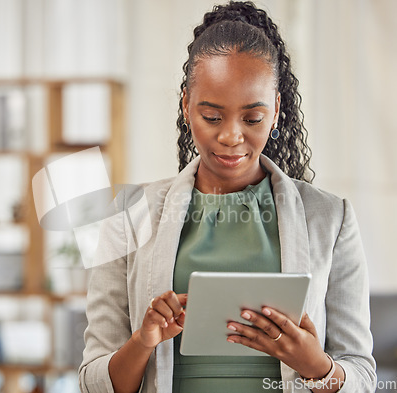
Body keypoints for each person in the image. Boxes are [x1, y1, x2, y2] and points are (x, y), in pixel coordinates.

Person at [78, 1, 376, 392]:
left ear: (276, 110)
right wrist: (143, 342)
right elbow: (91, 382)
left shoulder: (330, 218)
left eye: (252, 118)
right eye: (213, 117)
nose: (231, 136)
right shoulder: (128, 214)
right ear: (186, 105)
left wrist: (316, 367)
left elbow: (364, 379)